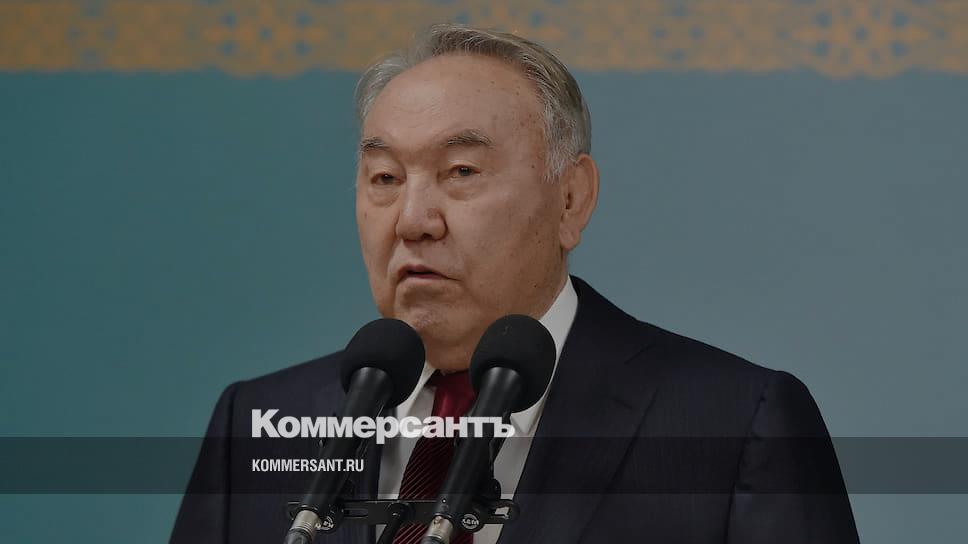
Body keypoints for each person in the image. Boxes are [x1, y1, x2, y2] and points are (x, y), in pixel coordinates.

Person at [171, 23, 859, 543]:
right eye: (384, 178)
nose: (412, 220)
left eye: (461, 173)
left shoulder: (733, 426)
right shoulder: (260, 423)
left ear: (571, 200)